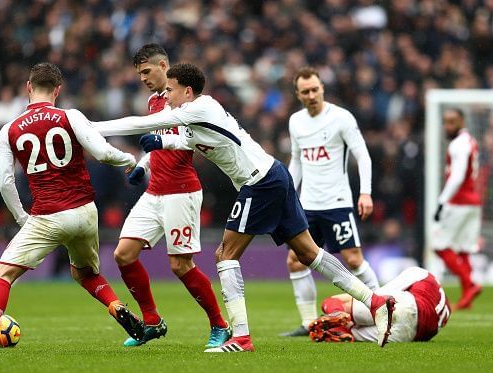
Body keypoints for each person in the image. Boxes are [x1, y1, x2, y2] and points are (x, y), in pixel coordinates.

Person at [92, 63, 397, 352]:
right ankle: (376, 301)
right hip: (274, 175)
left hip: (259, 183)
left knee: (225, 255)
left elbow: (143, 122)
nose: (165, 96)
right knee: (309, 253)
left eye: (170, 90)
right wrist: (161, 146)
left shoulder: (199, 107)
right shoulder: (197, 115)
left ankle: (241, 337)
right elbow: (186, 140)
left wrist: (90, 127)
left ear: (187, 91)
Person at [0, 62, 144, 353]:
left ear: (28, 87)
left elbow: (4, 181)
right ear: (58, 90)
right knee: (85, 273)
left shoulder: (9, 129)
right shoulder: (70, 116)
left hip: (47, 214)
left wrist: (22, 216)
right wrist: (128, 160)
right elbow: (102, 152)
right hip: (85, 211)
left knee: (3, 274)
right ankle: (116, 305)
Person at [111, 44, 230, 348]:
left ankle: (220, 325)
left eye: (147, 71)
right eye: (139, 73)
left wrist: (156, 148)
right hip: (155, 191)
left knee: (180, 265)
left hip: (182, 191)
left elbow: (186, 141)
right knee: (123, 254)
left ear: (163, 66)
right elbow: (157, 139)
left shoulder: (188, 102)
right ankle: (152, 321)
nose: (142, 78)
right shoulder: (153, 102)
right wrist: (142, 164)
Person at [280, 67, 380, 337]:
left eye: (315, 89)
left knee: (354, 259)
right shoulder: (296, 122)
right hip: (307, 205)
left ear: (322, 87)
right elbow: (297, 160)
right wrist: (286, 195)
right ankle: (308, 322)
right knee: (295, 261)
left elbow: (363, 155)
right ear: (298, 94)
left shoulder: (341, 118)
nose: (312, 95)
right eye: (306, 92)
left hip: (337, 202)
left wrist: (366, 192)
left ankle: (382, 308)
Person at [308, 267, 450, 343]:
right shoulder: (442, 304)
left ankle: (336, 312)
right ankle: (338, 330)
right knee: (352, 333)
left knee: (330, 302)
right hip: (410, 335)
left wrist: (336, 301)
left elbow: (377, 297)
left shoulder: (418, 273)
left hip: (406, 305)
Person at [433, 108, 482, 310]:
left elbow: (458, 176)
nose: (447, 126)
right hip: (473, 202)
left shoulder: (458, 144)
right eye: (445, 121)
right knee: (463, 249)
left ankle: (470, 285)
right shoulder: (470, 141)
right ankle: (467, 297)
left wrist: (442, 201)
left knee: (440, 245)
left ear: (462, 121)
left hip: (459, 202)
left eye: (452, 121)